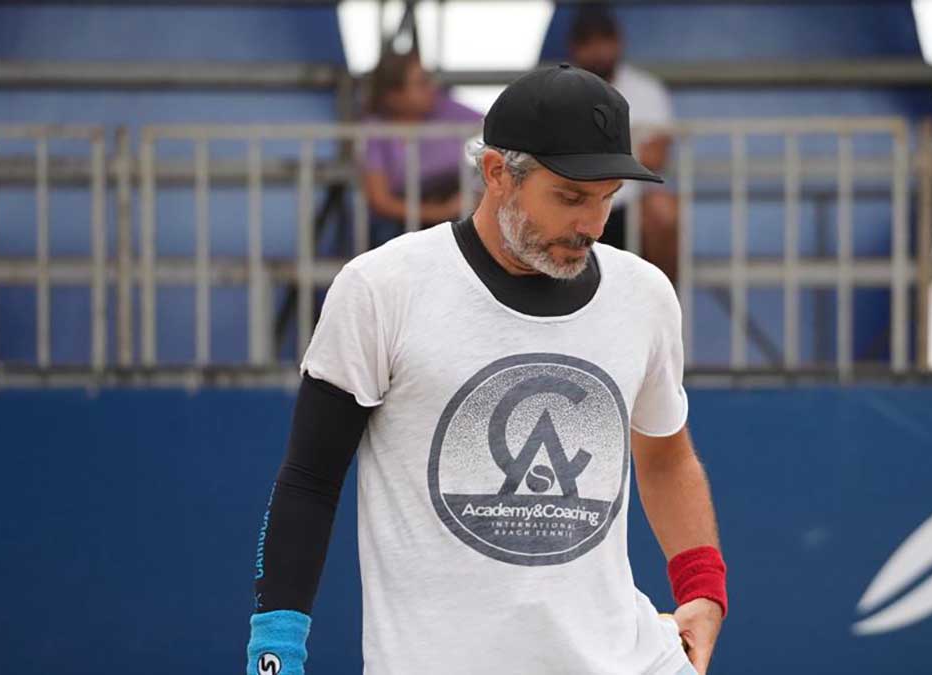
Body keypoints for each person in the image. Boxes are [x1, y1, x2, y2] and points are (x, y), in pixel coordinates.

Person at [245, 64, 727, 675]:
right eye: (571, 197)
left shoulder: (645, 294)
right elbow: (310, 480)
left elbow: (666, 456)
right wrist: (276, 650)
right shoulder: (382, 288)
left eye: (606, 198)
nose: (592, 225)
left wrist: (703, 588)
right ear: (498, 173)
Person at [569, 3, 680, 282]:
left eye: (604, 39)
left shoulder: (645, 89)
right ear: (574, 48)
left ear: (618, 41)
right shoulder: (558, 89)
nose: (597, 49)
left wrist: (588, 145)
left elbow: (655, 156)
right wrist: (625, 143)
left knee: (662, 211)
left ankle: (663, 301)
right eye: (587, 41)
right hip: (572, 198)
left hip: (628, 202)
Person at [362, 49, 482, 243]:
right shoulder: (376, 130)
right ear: (393, 95)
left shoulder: (446, 108)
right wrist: (440, 212)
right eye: (421, 83)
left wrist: (476, 195)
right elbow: (380, 200)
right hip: (403, 223)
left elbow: (495, 131)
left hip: (454, 206)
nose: (431, 88)